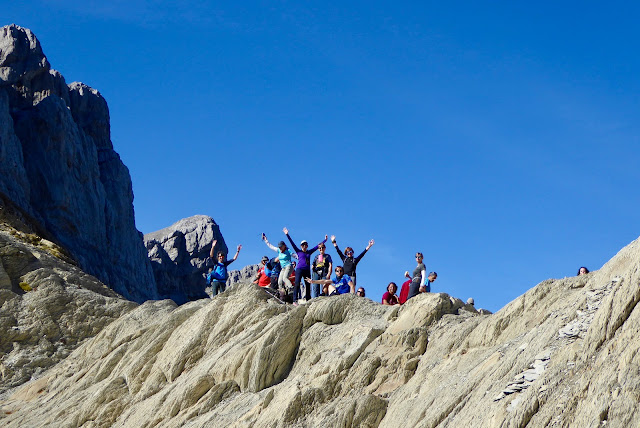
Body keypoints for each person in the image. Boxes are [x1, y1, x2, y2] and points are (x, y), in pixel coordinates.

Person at [283, 227, 327, 304]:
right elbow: (292, 243)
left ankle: (308, 300)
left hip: (307, 270)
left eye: (306, 245)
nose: (304, 246)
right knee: (297, 283)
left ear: (307, 246)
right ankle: (295, 300)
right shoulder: (298, 251)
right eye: (303, 245)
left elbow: (317, 246)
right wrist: (287, 234)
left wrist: (325, 240)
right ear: (301, 246)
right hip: (299, 269)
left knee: (308, 285)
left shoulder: (309, 252)